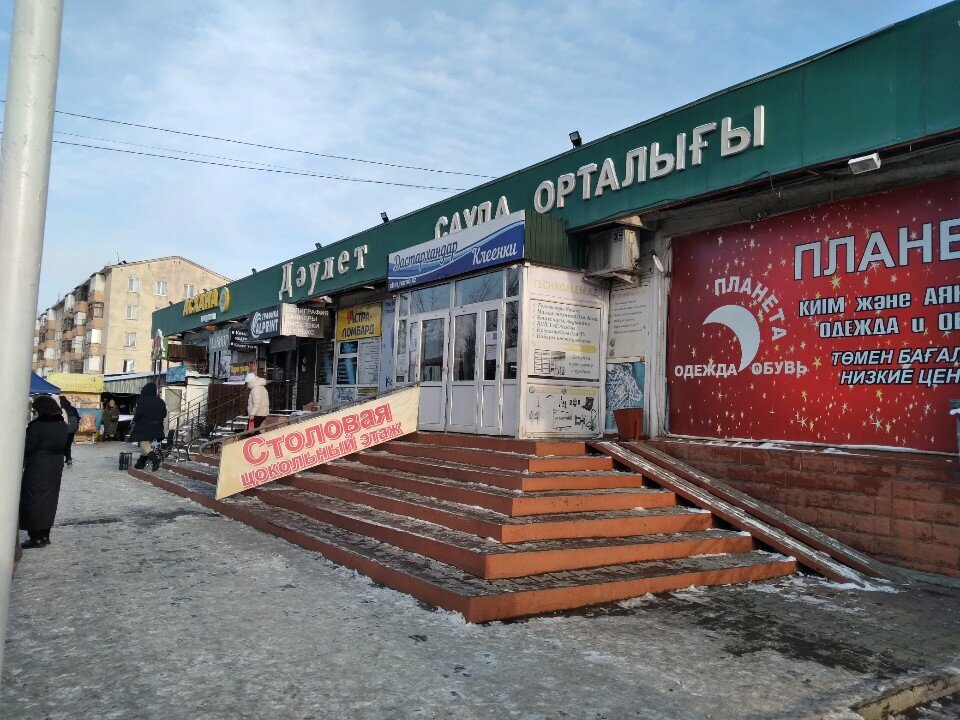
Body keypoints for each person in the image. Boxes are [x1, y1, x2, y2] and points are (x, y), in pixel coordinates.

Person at [20, 395, 68, 549]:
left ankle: (35, 538)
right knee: (49, 500)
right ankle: (45, 535)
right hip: (55, 466)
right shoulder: (62, 424)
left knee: (33, 500)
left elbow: (27, 447)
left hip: (38, 466)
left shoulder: (38, 426)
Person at [128, 382, 167, 470]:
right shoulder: (160, 401)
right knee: (147, 445)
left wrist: (135, 420)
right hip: (157, 427)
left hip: (145, 426)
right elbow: (164, 414)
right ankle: (140, 463)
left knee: (143, 443)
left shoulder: (143, 400)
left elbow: (139, 413)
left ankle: (155, 460)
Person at [59, 395, 80, 468]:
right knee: (68, 445)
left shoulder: (60, 409)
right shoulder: (73, 408)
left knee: (61, 445)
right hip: (71, 430)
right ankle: (68, 459)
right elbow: (78, 418)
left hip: (62, 430)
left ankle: (63, 459)